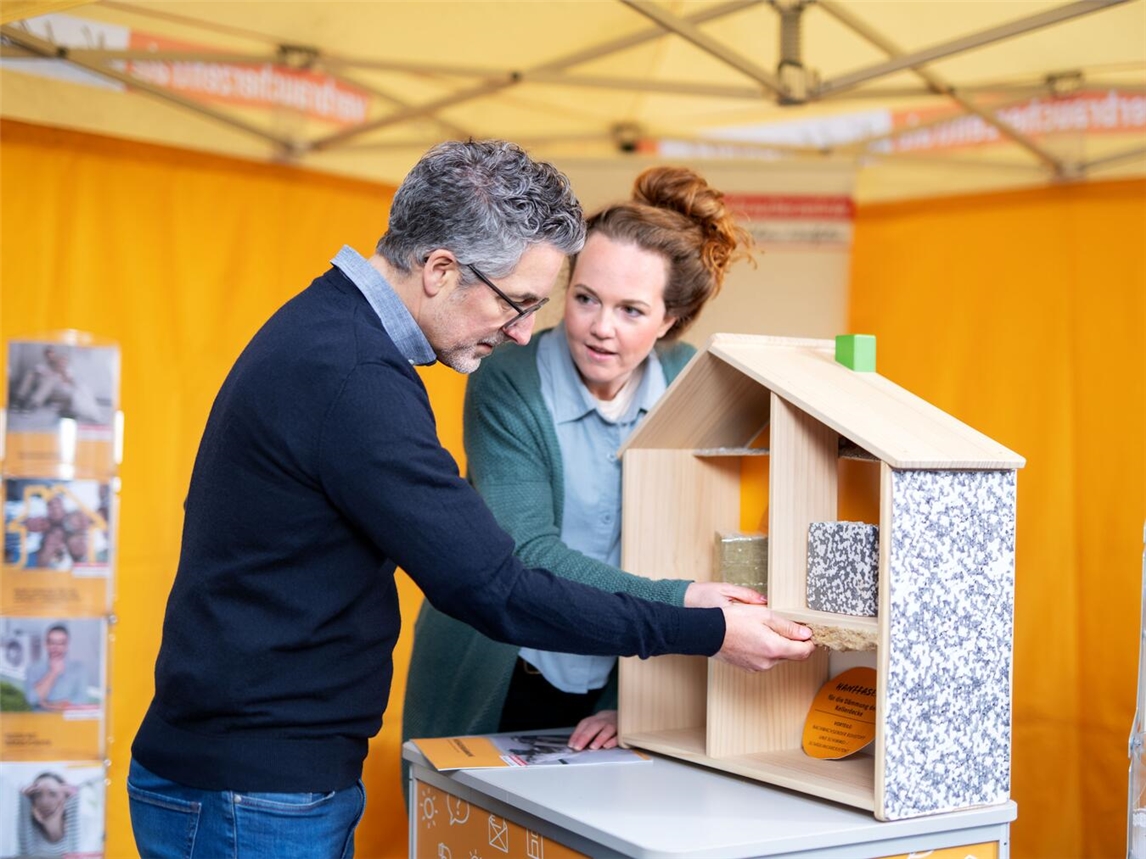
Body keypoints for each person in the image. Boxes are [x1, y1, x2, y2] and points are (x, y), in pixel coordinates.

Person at [128, 140, 814, 859]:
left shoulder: (329, 333)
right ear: (441, 269)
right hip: (253, 789)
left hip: (250, 774)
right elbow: (494, 584)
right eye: (520, 303)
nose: (522, 330)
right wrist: (700, 625)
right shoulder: (357, 378)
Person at [403, 165, 754, 759]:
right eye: (585, 298)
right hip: (499, 666)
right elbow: (528, 554)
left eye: (631, 311)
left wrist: (625, 695)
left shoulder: (689, 383)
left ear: (670, 321)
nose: (600, 328)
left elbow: (684, 547)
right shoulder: (506, 379)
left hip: (621, 675)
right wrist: (685, 606)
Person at [25, 624, 89, 711]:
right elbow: (31, 699)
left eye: (61, 643)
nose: (56, 647)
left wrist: (49, 705)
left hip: (67, 723)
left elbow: (81, 700)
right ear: (46, 644)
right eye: (52, 642)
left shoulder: (79, 669)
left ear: (67, 646)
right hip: (40, 722)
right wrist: (53, 672)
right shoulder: (33, 668)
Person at [19, 771, 79, 857]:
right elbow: (25, 853)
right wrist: (24, 800)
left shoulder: (75, 832)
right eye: (38, 794)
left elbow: (76, 853)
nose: (44, 802)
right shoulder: (31, 836)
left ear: (65, 798)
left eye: (52, 794)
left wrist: (73, 796)